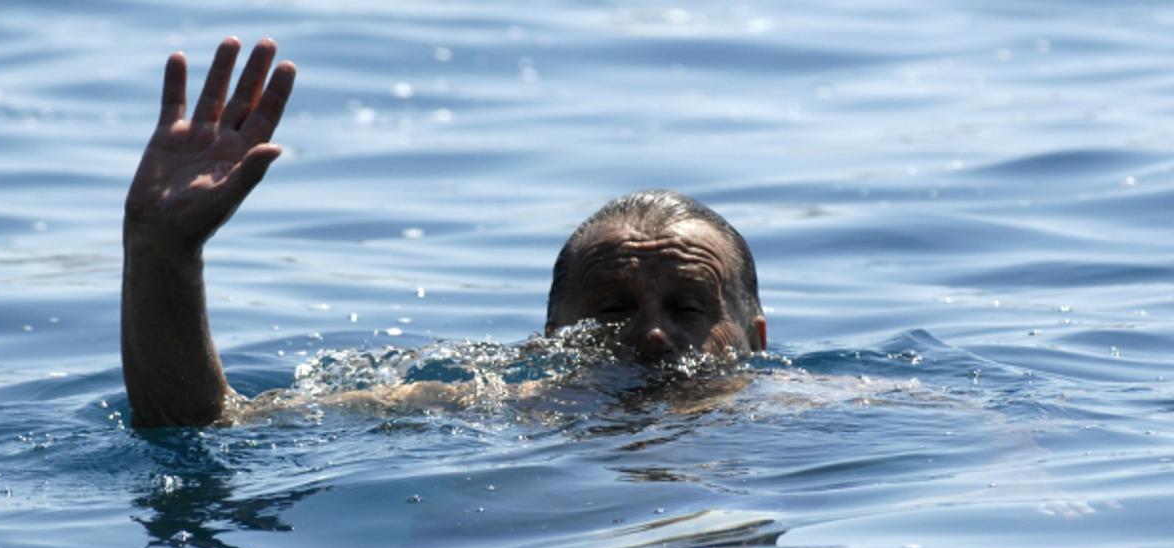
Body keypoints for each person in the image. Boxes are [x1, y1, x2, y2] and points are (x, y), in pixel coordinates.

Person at [122, 38, 767, 428]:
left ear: (755, 337)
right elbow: (205, 425)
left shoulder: (825, 411)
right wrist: (163, 253)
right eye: (612, 310)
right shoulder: (496, 409)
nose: (652, 336)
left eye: (686, 306)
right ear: (552, 338)